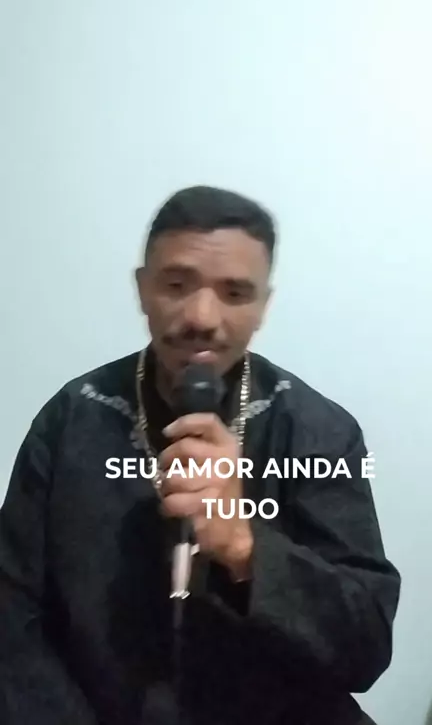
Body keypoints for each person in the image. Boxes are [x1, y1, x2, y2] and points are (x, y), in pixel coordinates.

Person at [0, 185, 400, 725]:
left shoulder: (317, 431)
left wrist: (245, 548)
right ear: (142, 289)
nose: (202, 316)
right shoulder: (72, 419)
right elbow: (13, 616)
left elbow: (365, 646)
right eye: (176, 284)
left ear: (262, 307)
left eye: (235, 292)